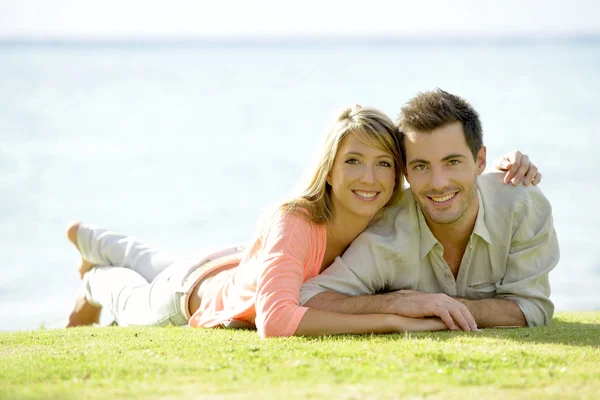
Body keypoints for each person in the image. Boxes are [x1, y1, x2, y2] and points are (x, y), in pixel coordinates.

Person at [65, 104, 540, 338]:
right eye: (353, 161)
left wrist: (505, 168)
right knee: (129, 295)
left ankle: (92, 238)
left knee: (149, 256)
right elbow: (276, 322)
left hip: (232, 263)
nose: (368, 177)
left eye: (383, 164)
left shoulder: (399, 204)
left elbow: (442, 173)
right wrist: (395, 319)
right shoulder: (296, 221)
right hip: (192, 296)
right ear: (328, 169)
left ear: (399, 174)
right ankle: (92, 278)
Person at [300, 89, 559, 331]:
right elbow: (309, 297)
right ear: (405, 172)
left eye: (452, 162)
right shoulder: (386, 234)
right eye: (421, 166)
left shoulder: (521, 205)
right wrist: (396, 303)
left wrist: (439, 308)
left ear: (480, 161)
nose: (438, 184)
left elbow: (532, 308)